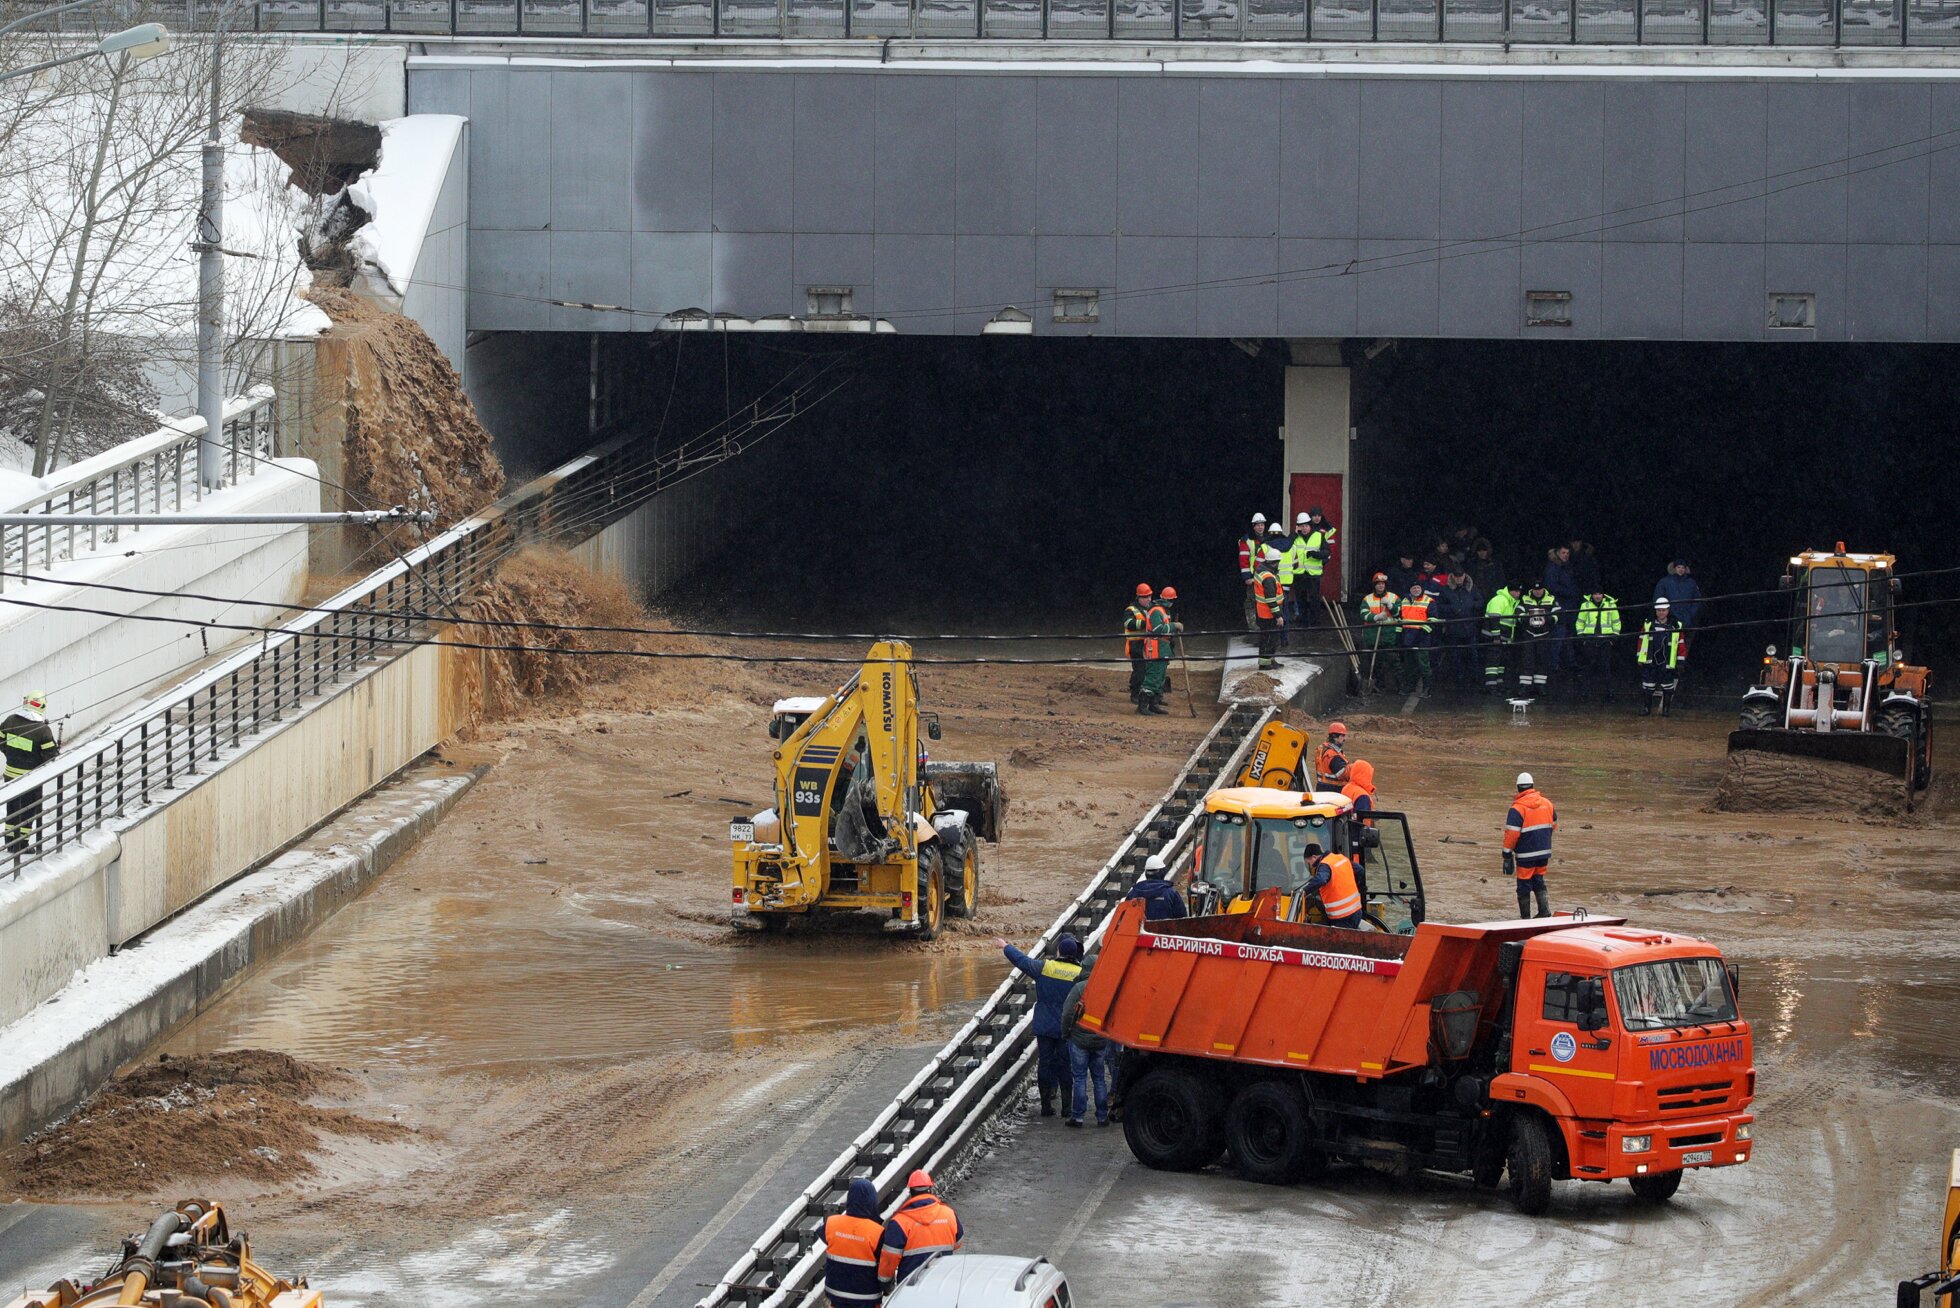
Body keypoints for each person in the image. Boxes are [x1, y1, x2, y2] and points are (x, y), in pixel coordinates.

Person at [997, 933, 1084, 1117]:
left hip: (1044, 1025)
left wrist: (1006, 946)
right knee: (1064, 1066)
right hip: (1066, 1028)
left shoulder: (1045, 967)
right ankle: (1067, 1107)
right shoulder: (1080, 974)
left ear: (1059, 951)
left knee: (1045, 1063)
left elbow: (1022, 961)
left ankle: (1046, 1106)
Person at [877, 1170, 963, 1289]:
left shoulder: (899, 1222)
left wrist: (884, 1283)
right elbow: (958, 1243)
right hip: (942, 1284)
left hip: (910, 1287)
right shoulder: (949, 1214)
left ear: (911, 1191)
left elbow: (890, 1258)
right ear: (930, 1188)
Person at [3, 692, 58, 854]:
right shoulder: (43, 730)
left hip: (10, 774)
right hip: (31, 777)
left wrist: (9, 754)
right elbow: (51, 756)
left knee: (13, 806)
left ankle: (10, 840)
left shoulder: (11, 720)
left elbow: (1, 740)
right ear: (41, 706)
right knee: (29, 809)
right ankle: (22, 844)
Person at [823, 1178, 887, 1307]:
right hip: (867, 1299)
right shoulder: (878, 1232)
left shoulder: (831, 1223)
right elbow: (885, 1265)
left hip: (836, 1297)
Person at [1502, 771, 1557, 919]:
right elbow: (1553, 825)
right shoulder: (1548, 804)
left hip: (1526, 854)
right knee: (1539, 880)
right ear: (1532, 786)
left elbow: (1512, 834)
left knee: (1523, 885)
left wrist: (1506, 854)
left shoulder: (1517, 809)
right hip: (1544, 852)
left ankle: (1525, 919)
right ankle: (1544, 912)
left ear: (1518, 788)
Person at [1062, 962, 1110, 1127]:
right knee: (1099, 1078)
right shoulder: (1107, 987)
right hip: (1100, 1040)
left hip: (1079, 1040)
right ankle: (1102, 1116)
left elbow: (1068, 1013)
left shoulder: (1080, 988)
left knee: (1080, 1078)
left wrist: (1065, 1033)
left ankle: (1078, 1116)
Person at [1637, 597, 1686, 717]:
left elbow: (1681, 643)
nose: (1661, 613)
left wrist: (1680, 661)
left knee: (1667, 687)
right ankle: (1646, 709)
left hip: (1667, 661)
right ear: (1655, 611)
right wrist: (1639, 657)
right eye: (1659, 610)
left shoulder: (1675, 625)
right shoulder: (1648, 624)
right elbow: (1641, 641)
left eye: (1663, 610)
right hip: (1650, 660)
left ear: (1668, 611)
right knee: (1648, 686)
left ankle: (1666, 711)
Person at [1298, 841, 1364, 929]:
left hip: (1342, 917)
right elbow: (1360, 870)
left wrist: (1304, 891)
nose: (1311, 866)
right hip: (1357, 912)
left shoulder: (1324, 865)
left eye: (1309, 862)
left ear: (1314, 857)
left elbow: (1321, 879)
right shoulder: (1340, 858)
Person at [1654, 560, 1704, 673]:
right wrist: (1667, 613)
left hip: (1686, 618)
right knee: (1667, 642)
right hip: (1669, 618)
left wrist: (1691, 613)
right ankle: (1665, 665)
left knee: (1684, 643)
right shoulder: (1665, 582)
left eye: (1683, 567)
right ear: (1674, 568)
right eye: (1678, 567)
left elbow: (1698, 599)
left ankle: (1680, 665)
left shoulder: (1691, 582)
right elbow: (1658, 598)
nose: (1681, 569)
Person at [1137, 587, 1180, 717]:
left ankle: (1153, 704)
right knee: (1153, 677)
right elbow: (1158, 629)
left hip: (1162, 648)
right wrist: (1174, 626)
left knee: (1160, 677)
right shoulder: (1156, 611)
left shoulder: (1163, 611)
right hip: (1155, 649)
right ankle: (1143, 706)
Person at [1574, 589, 1621, 703]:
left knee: (1606, 667)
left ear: (1603, 594)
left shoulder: (1611, 605)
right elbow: (1580, 622)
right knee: (1588, 667)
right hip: (1590, 639)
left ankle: (1610, 694)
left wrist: (1613, 638)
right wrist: (1582, 637)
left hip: (1605, 640)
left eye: (1599, 593)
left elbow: (1616, 622)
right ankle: (1585, 694)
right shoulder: (1585, 605)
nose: (1597, 596)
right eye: (1595, 593)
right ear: (1592, 595)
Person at [1358, 573, 1402, 694]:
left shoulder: (1394, 598)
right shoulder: (1367, 599)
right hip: (1372, 636)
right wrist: (1376, 617)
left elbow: (1398, 613)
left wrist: (1390, 605)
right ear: (1374, 585)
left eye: (1382, 584)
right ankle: (1378, 686)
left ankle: (1400, 686)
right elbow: (1363, 614)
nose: (1381, 586)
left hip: (1389, 635)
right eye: (1378, 584)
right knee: (1376, 663)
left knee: (1394, 661)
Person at [1515, 580, 1558, 693]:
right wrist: (1528, 619)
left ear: (1543, 589)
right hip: (1529, 633)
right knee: (1527, 660)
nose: (1537, 592)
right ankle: (1524, 686)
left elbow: (1558, 614)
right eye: (1535, 589)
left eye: (1539, 589)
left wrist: (1547, 620)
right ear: (1532, 590)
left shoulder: (1551, 599)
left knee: (1542, 659)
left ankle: (1540, 686)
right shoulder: (1525, 599)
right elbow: (1518, 612)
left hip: (1544, 634)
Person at [1544, 545, 1582, 672]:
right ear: (1557, 553)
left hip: (1569, 606)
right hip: (1559, 606)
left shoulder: (1567, 567)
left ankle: (1570, 663)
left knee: (1568, 636)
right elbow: (1552, 586)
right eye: (1563, 552)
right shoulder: (1553, 567)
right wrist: (1570, 592)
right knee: (1558, 636)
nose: (1566, 555)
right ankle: (1554, 664)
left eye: (1568, 553)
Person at [1481, 581, 1521, 694]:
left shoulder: (1512, 602)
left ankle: (1498, 684)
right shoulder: (1499, 600)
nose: (1518, 593)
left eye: (1519, 591)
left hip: (1504, 637)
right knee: (1492, 663)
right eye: (1515, 591)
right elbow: (1494, 619)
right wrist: (1496, 636)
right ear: (1510, 591)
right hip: (1493, 637)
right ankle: (1491, 686)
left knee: (1501, 663)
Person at [1398, 582, 1435, 696]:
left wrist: (1423, 632)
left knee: (1423, 663)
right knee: (1409, 664)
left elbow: (1433, 620)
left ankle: (1427, 689)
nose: (1416, 589)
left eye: (1418, 587)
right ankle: (1410, 687)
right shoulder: (1403, 601)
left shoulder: (1429, 601)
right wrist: (1399, 635)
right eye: (1413, 587)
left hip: (1421, 637)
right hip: (1407, 637)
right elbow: (1400, 620)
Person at [1251, 546, 1284, 671]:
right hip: (1268, 613)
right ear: (1275, 562)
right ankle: (1265, 664)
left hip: (1262, 611)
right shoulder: (1268, 577)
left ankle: (1269, 660)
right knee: (1269, 638)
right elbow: (1270, 599)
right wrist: (1278, 616)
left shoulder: (1261, 570)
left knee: (1267, 637)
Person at [1123, 584, 1153, 706]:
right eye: (1145, 597)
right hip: (1135, 644)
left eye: (1149, 596)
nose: (1148, 599)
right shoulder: (1131, 610)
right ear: (1139, 597)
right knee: (1139, 670)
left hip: (1147, 644)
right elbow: (1128, 623)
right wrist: (1145, 623)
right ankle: (1134, 694)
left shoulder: (1150, 609)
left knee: (1146, 670)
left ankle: (1143, 691)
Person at [1238, 514, 1269, 630]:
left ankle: (1264, 623)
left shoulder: (1268, 538)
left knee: (1266, 600)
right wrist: (1247, 577)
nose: (1260, 527)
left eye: (1262, 525)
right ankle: (1252, 624)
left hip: (1266, 576)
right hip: (1253, 576)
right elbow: (1243, 559)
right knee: (1251, 601)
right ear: (1253, 526)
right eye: (1258, 525)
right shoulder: (1246, 540)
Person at [1313, 722, 1349, 790]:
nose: (1344, 739)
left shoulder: (1323, 749)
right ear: (1335, 737)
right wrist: (1356, 768)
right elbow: (1344, 775)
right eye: (1342, 736)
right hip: (1333, 792)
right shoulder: (1333, 755)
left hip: (1322, 789)